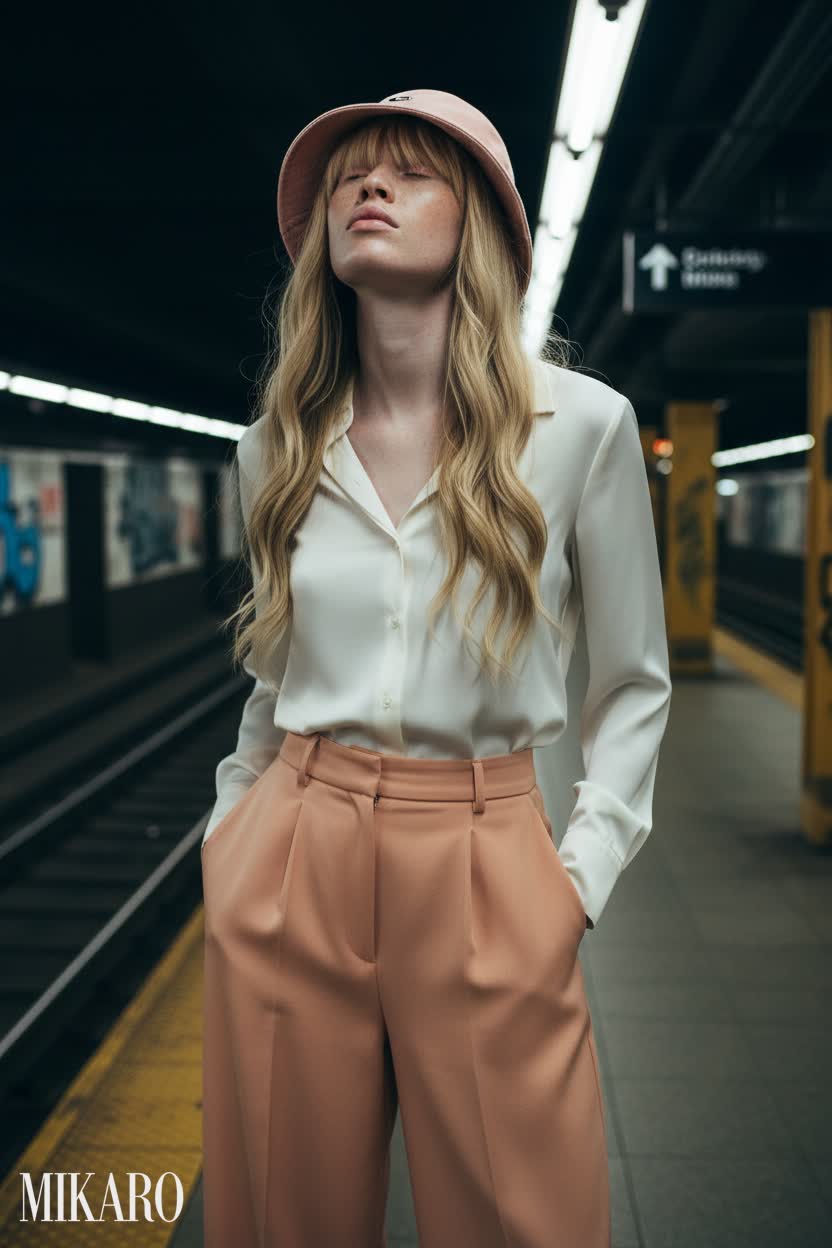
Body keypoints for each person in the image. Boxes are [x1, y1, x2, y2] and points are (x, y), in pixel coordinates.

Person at [200, 88, 671, 1248]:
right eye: (353, 177)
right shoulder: (274, 445)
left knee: (525, 1215)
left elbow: (631, 683)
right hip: (294, 843)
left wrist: (575, 880)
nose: (369, 189)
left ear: (484, 230)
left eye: (410, 173)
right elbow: (275, 678)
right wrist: (230, 838)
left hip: (482, 855)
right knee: (280, 1215)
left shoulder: (580, 430)